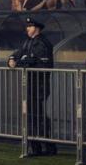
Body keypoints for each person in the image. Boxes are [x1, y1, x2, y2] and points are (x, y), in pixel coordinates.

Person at [8, 17, 56, 157]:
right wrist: (11, 59)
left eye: (30, 26)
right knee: (34, 116)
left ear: (37, 28)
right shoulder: (29, 42)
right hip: (32, 84)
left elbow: (41, 63)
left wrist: (22, 62)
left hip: (39, 84)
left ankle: (43, 146)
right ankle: (39, 147)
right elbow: (19, 54)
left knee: (36, 116)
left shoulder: (42, 43)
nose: (27, 29)